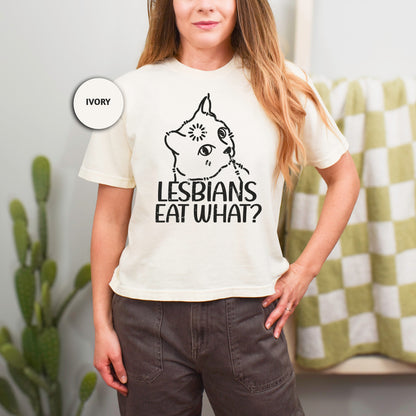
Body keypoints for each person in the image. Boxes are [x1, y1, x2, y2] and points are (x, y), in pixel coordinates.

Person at [78, 1, 360, 415]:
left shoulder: (284, 82)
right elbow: (109, 218)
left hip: (251, 314)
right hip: (146, 319)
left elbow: (344, 179)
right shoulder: (129, 93)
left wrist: (304, 270)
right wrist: (102, 325)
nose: (205, 5)